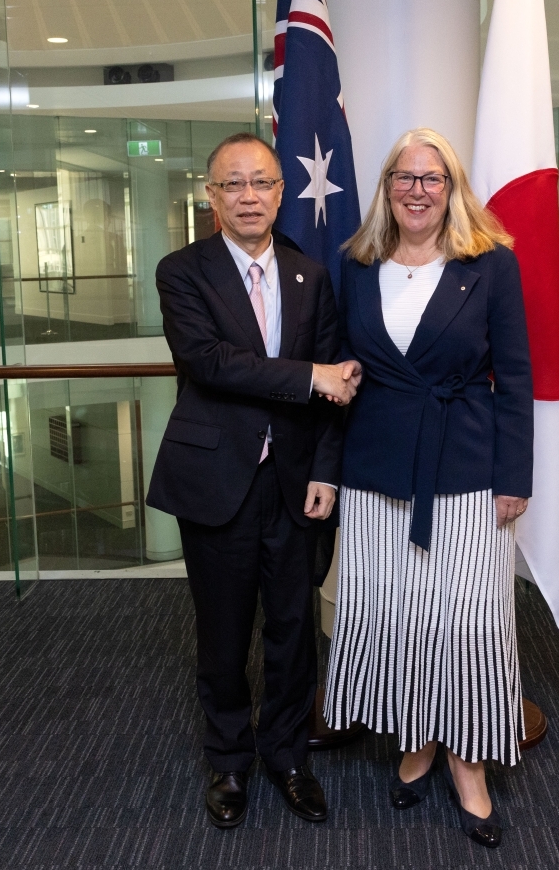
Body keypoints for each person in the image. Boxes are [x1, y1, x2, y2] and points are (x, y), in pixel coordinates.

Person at [323, 128, 534, 849]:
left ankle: (467, 761)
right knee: (401, 613)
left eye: (432, 178)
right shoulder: (356, 266)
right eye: (404, 178)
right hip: (377, 472)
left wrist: (516, 476)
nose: (417, 190)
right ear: (387, 190)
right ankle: (417, 741)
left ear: (452, 190)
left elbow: (517, 377)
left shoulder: (490, 265)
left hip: (467, 470)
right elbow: (340, 372)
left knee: (471, 621)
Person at [147, 132, 361, 829]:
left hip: (297, 486)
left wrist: (328, 470)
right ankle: (230, 761)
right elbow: (211, 363)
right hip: (217, 480)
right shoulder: (182, 272)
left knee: (295, 632)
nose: (248, 196)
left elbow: (340, 383)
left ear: (279, 193)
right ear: (211, 197)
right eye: (232, 184)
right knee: (223, 633)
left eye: (261, 183)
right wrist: (309, 378)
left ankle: (288, 756)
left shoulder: (310, 274)